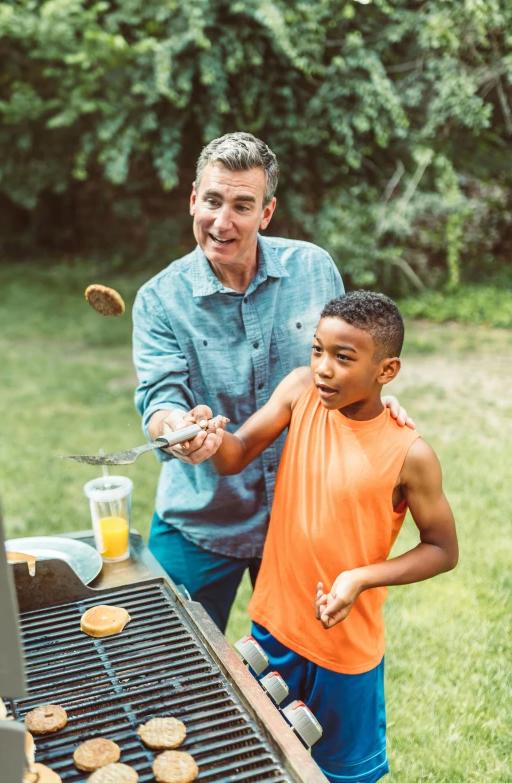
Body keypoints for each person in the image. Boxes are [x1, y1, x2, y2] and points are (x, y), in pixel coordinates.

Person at [133, 132, 411, 632]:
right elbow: (160, 396)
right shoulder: (159, 300)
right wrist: (177, 427)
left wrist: (380, 408)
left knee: (303, 677)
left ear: (266, 212)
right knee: (169, 662)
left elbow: (349, 366)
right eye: (213, 200)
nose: (223, 221)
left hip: (303, 520)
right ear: (194, 200)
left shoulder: (313, 268)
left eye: (243, 205)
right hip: (199, 518)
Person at [194, 291, 458, 782]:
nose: (323, 368)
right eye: (317, 350)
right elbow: (237, 452)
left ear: (387, 370)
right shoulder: (299, 393)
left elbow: (443, 549)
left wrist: (359, 577)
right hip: (273, 625)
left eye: (343, 358)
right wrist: (209, 437)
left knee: (342, 774)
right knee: (263, 758)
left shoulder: (410, 454)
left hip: (344, 652)